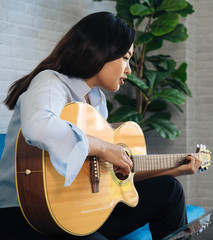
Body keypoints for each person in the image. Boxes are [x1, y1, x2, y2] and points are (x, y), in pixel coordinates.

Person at [0, 11, 202, 240]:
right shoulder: (50, 82)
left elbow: (108, 178)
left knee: (169, 189)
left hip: (78, 210)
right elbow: (38, 127)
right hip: (27, 216)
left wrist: (174, 168)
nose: (129, 70)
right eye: (125, 58)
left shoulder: (96, 101)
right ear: (101, 51)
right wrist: (103, 147)